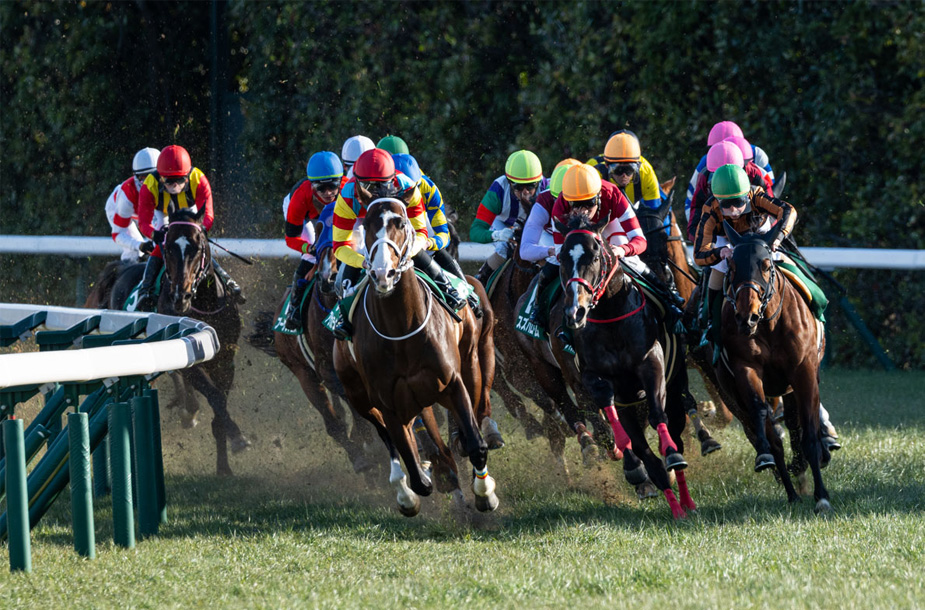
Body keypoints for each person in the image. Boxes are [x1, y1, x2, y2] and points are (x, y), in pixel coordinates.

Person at [330, 148, 469, 339]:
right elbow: (339, 246)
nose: (374, 193)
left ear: (392, 180)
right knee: (354, 257)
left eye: (380, 186)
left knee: (409, 248)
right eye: (367, 187)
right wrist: (361, 261)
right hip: (366, 224)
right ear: (357, 183)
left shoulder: (407, 187)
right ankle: (343, 312)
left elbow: (420, 232)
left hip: (399, 224)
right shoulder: (347, 196)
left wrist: (410, 250)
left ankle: (448, 288)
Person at [692, 164, 797, 363]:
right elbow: (699, 253)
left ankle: (816, 302)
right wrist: (719, 252)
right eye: (726, 205)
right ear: (717, 200)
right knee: (717, 273)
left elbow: (788, 210)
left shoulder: (757, 195)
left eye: (738, 203)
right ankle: (711, 328)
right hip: (730, 243)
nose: (733, 211)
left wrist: (778, 238)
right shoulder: (711, 208)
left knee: (790, 265)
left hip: (762, 239)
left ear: (747, 195)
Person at [135, 145, 243, 311]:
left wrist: (202, 230)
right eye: (168, 181)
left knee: (195, 245)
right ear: (160, 177)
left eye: (179, 180)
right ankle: (146, 290)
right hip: (162, 213)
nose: (174, 186)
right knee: (162, 245)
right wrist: (154, 234)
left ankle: (227, 280)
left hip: (191, 213)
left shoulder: (199, 180)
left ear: (187, 176)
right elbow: (143, 222)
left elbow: (208, 215)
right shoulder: (149, 186)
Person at [391, 153, 480, 315]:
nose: (411, 196)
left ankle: (466, 293)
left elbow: (443, 235)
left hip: (420, 228)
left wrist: (428, 243)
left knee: (431, 242)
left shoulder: (430, 189)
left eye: (415, 189)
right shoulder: (380, 189)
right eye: (404, 191)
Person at [281, 151, 344, 330]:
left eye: (332, 186)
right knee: (310, 255)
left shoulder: (348, 189)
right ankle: (294, 308)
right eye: (320, 188)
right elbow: (291, 238)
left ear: (340, 181)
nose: (328, 193)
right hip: (307, 218)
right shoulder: (300, 197)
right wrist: (309, 249)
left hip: (332, 214)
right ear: (311, 185)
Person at [470, 150, 548, 286]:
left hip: (536, 225)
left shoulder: (546, 188)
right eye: (519, 187)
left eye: (530, 187)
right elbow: (475, 231)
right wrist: (498, 235)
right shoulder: (497, 191)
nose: (525, 193)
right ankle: (481, 280)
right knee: (503, 248)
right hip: (504, 224)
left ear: (538, 182)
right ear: (509, 182)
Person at [520, 158, 580, 328]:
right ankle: (538, 309)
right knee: (553, 265)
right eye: (557, 200)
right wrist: (550, 251)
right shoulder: (544, 201)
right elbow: (525, 250)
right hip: (551, 237)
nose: (561, 207)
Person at [684, 121, 775, 224]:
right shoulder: (707, 161)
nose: (723, 150)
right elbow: (693, 199)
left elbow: (770, 186)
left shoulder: (757, 154)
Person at [687, 139, 773, 241]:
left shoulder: (753, 173)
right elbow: (695, 214)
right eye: (718, 174)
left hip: (754, 225)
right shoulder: (704, 178)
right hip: (722, 229)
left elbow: (770, 205)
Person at [105, 147, 159, 262]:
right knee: (134, 252)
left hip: (143, 211)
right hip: (117, 207)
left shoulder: (170, 186)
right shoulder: (127, 196)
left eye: (154, 176)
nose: (150, 184)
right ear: (136, 177)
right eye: (145, 178)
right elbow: (118, 234)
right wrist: (140, 245)